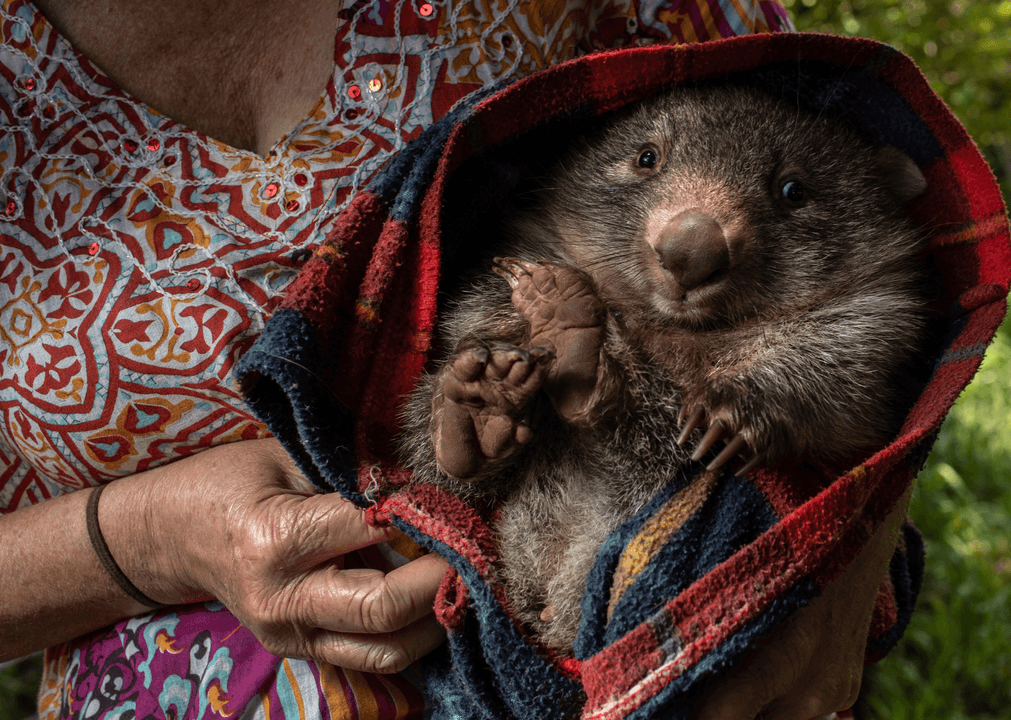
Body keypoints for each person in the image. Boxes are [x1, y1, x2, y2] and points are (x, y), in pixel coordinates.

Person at [0, 0, 911, 717]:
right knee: (494, 357)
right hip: (209, 682)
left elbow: (915, 268)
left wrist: (848, 541)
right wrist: (152, 539)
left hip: (675, 627)